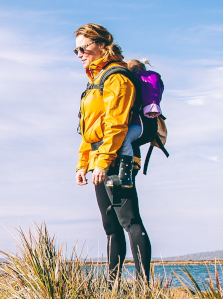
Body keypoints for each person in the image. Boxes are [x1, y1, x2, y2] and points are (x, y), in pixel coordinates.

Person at [73, 24, 152, 283]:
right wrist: (83, 164)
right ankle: (111, 287)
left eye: (84, 47)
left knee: (130, 221)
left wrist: (104, 163)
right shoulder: (94, 80)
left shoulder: (116, 77)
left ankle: (144, 288)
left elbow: (116, 125)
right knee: (111, 227)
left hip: (116, 157)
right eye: (76, 50)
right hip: (99, 160)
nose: (80, 53)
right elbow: (89, 130)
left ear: (102, 45)